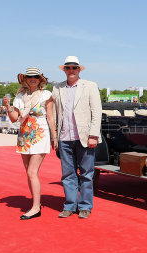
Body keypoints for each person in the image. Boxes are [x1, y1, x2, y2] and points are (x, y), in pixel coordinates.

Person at [3, 67, 57, 220]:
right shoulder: (20, 96)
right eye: (29, 76)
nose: (32, 79)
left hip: (40, 134)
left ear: (40, 79)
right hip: (24, 135)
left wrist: (54, 136)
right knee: (29, 172)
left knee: (32, 172)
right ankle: (35, 204)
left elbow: (51, 118)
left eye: (36, 76)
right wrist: (7, 107)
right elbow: (14, 118)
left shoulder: (46, 95)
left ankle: (35, 207)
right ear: (25, 79)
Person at [52, 56, 102, 219]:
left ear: (79, 69)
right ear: (64, 70)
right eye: (68, 68)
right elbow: (53, 113)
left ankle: (85, 206)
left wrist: (93, 135)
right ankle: (70, 205)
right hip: (64, 137)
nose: (71, 70)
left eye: (74, 67)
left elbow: (97, 112)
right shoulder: (57, 88)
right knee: (67, 174)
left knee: (87, 174)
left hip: (85, 137)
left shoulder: (90, 86)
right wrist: (54, 136)